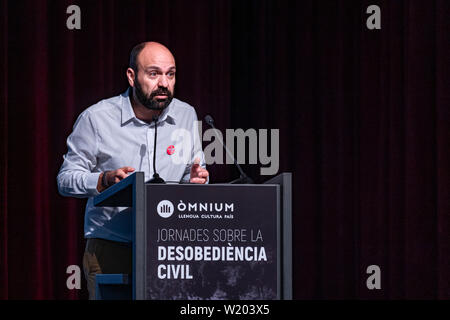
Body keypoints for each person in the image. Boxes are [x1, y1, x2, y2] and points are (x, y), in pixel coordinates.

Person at [57, 42, 209, 299]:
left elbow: (192, 172)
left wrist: (194, 182)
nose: (164, 83)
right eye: (153, 74)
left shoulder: (185, 115)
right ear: (131, 76)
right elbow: (65, 180)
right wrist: (104, 179)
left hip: (168, 248)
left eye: (170, 74)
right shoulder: (97, 118)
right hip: (112, 246)